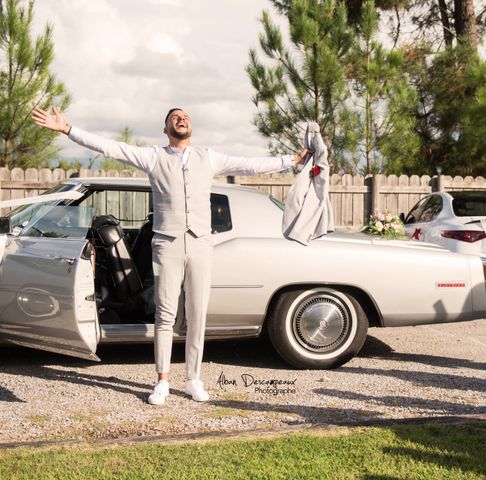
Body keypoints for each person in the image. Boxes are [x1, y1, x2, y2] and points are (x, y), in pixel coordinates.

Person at [31, 106, 307, 404]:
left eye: (185, 116)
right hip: (167, 245)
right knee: (165, 314)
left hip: (201, 244)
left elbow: (249, 165)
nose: (181, 118)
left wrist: (289, 160)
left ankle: (193, 379)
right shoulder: (154, 156)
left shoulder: (208, 157)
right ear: (166, 129)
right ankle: (162, 381)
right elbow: (111, 147)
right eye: (174, 116)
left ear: (191, 126)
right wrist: (67, 128)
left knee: (198, 314)